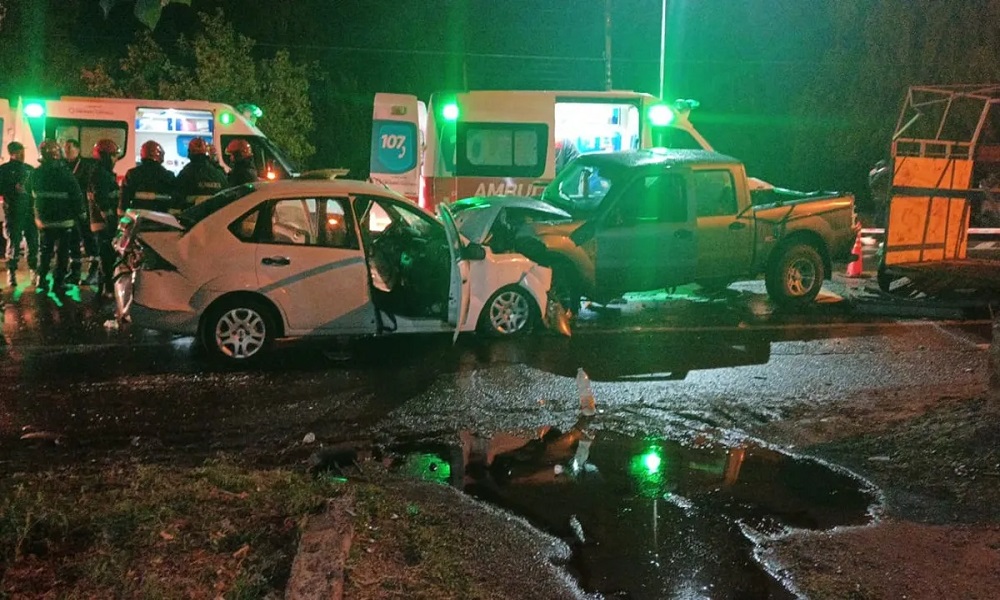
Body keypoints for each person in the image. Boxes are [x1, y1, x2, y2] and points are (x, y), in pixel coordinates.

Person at [29, 139, 85, 295]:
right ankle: (58, 282)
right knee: (62, 253)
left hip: (44, 221)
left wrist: (34, 214)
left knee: (44, 251)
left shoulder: (35, 173)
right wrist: (81, 215)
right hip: (63, 221)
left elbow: (29, 195)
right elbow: (77, 196)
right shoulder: (65, 174)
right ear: (57, 155)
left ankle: (41, 280)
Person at [0, 141, 37, 288]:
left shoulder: (29, 169)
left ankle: (34, 270)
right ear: (12, 153)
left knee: (33, 242)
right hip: (14, 211)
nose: (23, 154)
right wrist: (12, 189)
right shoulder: (4, 170)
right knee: (13, 242)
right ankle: (12, 272)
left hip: (30, 211)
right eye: (20, 152)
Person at [63, 139, 100, 286]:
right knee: (73, 242)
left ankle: (94, 272)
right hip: (69, 211)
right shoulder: (63, 166)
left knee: (89, 240)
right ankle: (74, 272)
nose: (67, 152)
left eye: (69, 149)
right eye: (65, 149)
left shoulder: (86, 166)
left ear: (77, 150)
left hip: (85, 210)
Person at [88, 139, 121, 298]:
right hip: (103, 223)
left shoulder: (101, 172)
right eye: (114, 155)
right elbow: (101, 199)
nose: (115, 159)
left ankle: (104, 286)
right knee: (107, 256)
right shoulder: (100, 174)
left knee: (106, 254)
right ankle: (107, 288)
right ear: (106, 156)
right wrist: (110, 219)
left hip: (101, 221)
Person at [120, 140, 178, 215]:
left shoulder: (132, 173)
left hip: (137, 217)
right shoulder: (168, 175)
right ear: (160, 155)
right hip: (161, 217)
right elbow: (175, 199)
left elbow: (124, 198)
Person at [176, 137, 229, 209]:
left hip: (193, 216)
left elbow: (177, 197)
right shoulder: (219, 173)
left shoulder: (186, 173)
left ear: (190, 152)